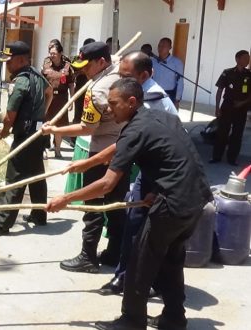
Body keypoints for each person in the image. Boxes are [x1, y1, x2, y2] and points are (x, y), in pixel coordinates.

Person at [47, 78, 212, 330]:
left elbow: (107, 184)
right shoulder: (159, 117)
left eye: (113, 104)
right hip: (197, 198)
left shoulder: (135, 129)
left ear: (131, 102)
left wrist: (65, 199)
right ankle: (174, 318)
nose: (108, 109)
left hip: (172, 204)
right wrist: (87, 163)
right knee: (170, 261)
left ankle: (132, 321)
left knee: (140, 262)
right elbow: (122, 147)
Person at [68, 51, 178, 295]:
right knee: (130, 220)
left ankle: (138, 284)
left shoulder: (150, 102)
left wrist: (65, 199)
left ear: (145, 75)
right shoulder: (137, 97)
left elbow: (109, 177)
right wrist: (88, 163)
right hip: (149, 170)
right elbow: (125, 142)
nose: (120, 81)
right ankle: (125, 274)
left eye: (126, 76)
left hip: (163, 175)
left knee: (143, 228)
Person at [42, 42, 127, 272]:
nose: (83, 71)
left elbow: (86, 128)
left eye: (87, 66)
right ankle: (114, 253)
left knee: (92, 205)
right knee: (116, 204)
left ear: (101, 62)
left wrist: (55, 130)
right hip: (124, 150)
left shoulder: (97, 89)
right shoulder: (121, 73)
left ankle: (88, 256)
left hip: (101, 152)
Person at [0, 41, 53, 235]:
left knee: (15, 177)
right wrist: (41, 116)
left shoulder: (20, 81)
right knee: (37, 175)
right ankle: (39, 214)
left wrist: (5, 130)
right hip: (39, 134)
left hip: (25, 136)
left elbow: (10, 114)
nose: (7, 65)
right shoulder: (38, 75)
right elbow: (50, 92)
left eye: (9, 61)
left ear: (21, 60)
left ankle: (2, 224)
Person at [211, 50, 251, 166]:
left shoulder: (249, 74)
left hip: (241, 108)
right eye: (245, 58)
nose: (247, 61)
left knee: (237, 134)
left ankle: (232, 158)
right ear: (237, 59)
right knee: (222, 132)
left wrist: (243, 102)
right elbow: (220, 90)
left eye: (248, 59)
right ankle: (216, 156)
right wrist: (217, 107)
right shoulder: (227, 73)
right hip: (227, 106)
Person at [42, 42, 75, 158]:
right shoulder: (46, 64)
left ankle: (57, 149)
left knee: (59, 125)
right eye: (50, 53)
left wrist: (72, 100)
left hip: (61, 98)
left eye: (54, 53)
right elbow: (42, 79)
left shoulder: (67, 66)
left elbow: (71, 84)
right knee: (46, 123)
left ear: (60, 53)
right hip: (48, 98)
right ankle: (44, 149)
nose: (52, 55)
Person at [152, 37, 184, 108]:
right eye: (159, 46)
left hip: (169, 94)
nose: (160, 48)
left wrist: (177, 99)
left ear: (170, 47)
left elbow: (180, 81)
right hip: (154, 94)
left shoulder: (177, 62)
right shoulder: (153, 61)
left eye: (164, 46)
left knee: (168, 118)